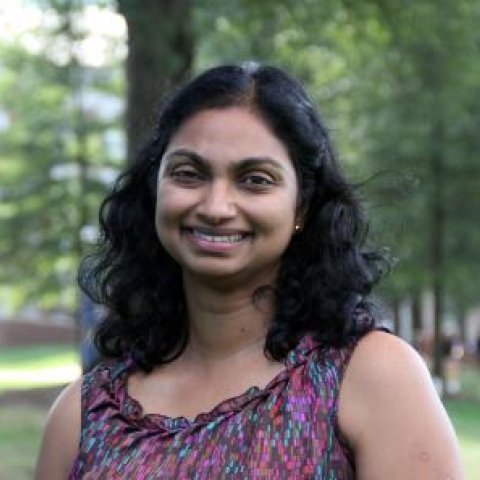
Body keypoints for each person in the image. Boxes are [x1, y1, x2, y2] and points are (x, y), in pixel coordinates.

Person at [36, 63, 464, 479]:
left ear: (302, 207)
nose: (215, 207)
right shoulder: (84, 415)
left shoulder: (373, 377)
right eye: (189, 174)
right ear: (155, 190)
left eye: (255, 179)